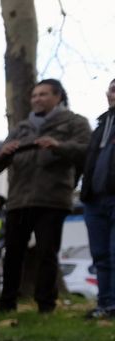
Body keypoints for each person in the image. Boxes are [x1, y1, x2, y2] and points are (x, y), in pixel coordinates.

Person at [0, 78, 91, 314]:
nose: (37, 99)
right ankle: (7, 303)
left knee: (47, 253)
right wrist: (2, 153)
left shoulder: (75, 122)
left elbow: (88, 152)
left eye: (43, 95)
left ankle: (46, 306)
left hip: (52, 200)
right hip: (18, 201)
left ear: (58, 97)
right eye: (34, 95)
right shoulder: (22, 128)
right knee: (12, 253)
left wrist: (58, 146)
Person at [80, 77, 115, 319]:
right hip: (94, 201)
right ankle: (105, 304)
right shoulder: (101, 125)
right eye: (112, 88)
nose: (113, 92)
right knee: (100, 255)